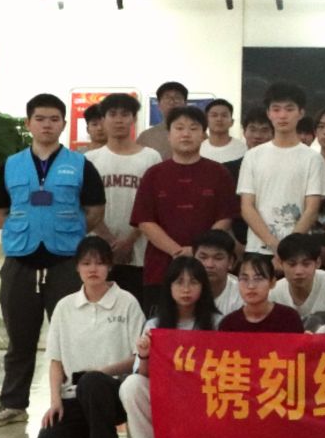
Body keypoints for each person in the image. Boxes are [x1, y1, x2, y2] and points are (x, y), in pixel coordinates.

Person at [0, 93, 107, 430]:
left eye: (54, 119)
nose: (47, 125)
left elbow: (95, 211)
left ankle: (73, 403)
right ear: (28, 124)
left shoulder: (81, 165)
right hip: (20, 260)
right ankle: (13, 404)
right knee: (19, 338)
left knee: (70, 337)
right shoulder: (11, 165)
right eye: (40, 119)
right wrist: (21, 231)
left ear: (64, 124)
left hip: (65, 262)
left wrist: (67, 231)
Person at [27, 237, 140, 438]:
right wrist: (55, 400)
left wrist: (100, 372)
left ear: (110, 266)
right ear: (77, 267)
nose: (93, 269)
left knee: (92, 382)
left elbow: (138, 356)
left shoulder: (127, 302)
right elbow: (56, 361)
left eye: (100, 263)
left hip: (115, 391)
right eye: (86, 263)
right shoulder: (65, 307)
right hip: (76, 392)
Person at [118, 252, 219, 438]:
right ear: (169, 287)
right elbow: (142, 375)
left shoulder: (217, 323)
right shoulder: (154, 326)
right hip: (168, 395)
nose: (186, 289)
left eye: (193, 282)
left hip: (204, 397)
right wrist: (144, 355)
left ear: (203, 287)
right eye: (179, 282)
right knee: (131, 385)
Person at [130, 104, 239, 296]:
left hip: (208, 269)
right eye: (179, 128)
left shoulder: (219, 173)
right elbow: (145, 221)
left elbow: (226, 217)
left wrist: (199, 251)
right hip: (161, 269)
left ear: (203, 135)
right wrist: (177, 251)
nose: (186, 134)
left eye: (193, 128)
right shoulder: (154, 174)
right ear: (169, 135)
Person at [237, 82, 325, 255]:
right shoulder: (253, 156)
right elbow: (247, 207)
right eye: (276, 109)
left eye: (289, 109)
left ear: (301, 113)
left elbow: (311, 209)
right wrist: (273, 244)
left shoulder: (313, 159)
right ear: (268, 113)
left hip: (298, 251)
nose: (282, 115)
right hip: (258, 248)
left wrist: (287, 248)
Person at [89, 93, 160, 299]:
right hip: (99, 250)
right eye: (112, 114)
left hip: (139, 251)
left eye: (125, 114)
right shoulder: (91, 159)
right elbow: (86, 206)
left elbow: (154, 206)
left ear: (134, 119)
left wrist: (129, 241)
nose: (119, 120)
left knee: (136, 308)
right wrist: (109, 240)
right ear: (103, 119)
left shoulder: (151, 157)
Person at [218, 252, 304, 332]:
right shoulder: (229, 324)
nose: (251, 286)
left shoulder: (289, 318)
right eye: (244, 279)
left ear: (272, 282)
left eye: (258, 279)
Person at [271, 232, 325, 327]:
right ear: (281, 264)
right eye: (292, 264)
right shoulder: (273, 293)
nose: (299, 271)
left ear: (318, 263)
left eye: (306, 264)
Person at [193, 230, 241, 312]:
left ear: (231, 262)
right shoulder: (181, 289)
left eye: (218, 258)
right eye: (203, 257)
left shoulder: (242, 293)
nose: (209, 265)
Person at [136, 82, 190, 152]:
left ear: (185, 103)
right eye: (167, 98)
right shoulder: (146, 137)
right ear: (159, 105)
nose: (172, 102)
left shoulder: (196, 133)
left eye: (177, 98)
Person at [224, 107, 274, 181]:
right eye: (253, 130)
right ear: (244, 132)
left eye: (264, 130)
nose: (257, 136)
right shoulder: (228, 170)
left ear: (273, 134)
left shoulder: (281, 167)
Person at [201, 98, 247, 164]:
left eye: (224, 115)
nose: (219, 119)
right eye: (214, 115)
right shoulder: (198, 150)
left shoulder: (243, 149)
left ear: (232, 122)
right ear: (206, 121)